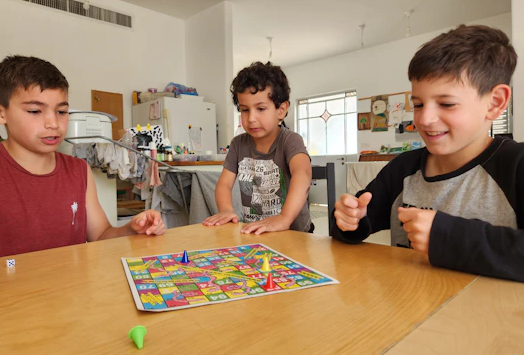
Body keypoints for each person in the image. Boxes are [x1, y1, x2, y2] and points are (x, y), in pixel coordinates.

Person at [333, 24, 524, 282]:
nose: (425, 119)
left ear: (495, 103)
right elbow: (355, 220)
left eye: (446, 104)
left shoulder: (516, 166)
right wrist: (348, 219)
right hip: (409, 310)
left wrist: (447, 237)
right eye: (418, 104)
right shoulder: (403, 169)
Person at [0, 55, 165, 259]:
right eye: (35, 111)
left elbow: (101, 235)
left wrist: (131, 229)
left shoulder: (78, 170)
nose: (53, 123)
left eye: (61, 111)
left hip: (71, 288)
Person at [203, 62, 312, 234]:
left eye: (260, 108)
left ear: (281, 110)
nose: (251, 118)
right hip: (256, 232)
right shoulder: (238, 144)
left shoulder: (290, 140)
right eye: (245, 110)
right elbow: (224, 184)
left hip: (294, 233)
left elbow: (303, 174)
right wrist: (226, 210)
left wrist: (284, 218)